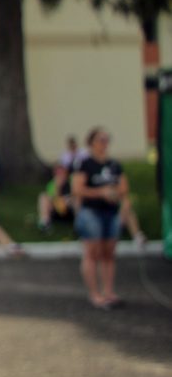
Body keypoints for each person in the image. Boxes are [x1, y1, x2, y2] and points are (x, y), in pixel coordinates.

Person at [71, 127, 128, 310]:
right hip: (91, 212)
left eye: (107, 138)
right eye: (101, 138)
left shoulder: (114, 165)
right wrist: (100, 192)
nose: (105, 142)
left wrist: (113, 193)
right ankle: (95, 294)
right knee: (92, 252)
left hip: (110, 212)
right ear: (92, 142)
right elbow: (77, 189)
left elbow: (123, 188)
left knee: (108, 252)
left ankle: (108, 292)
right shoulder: (85, 164)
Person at [37, 163, 75, 234]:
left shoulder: (71, 183)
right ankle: (45, 222)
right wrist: (58, 187)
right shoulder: (53, 184)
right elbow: (52, 198)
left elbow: (74, 194)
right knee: (43, 196)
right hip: (56, 209)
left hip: (70, 209)